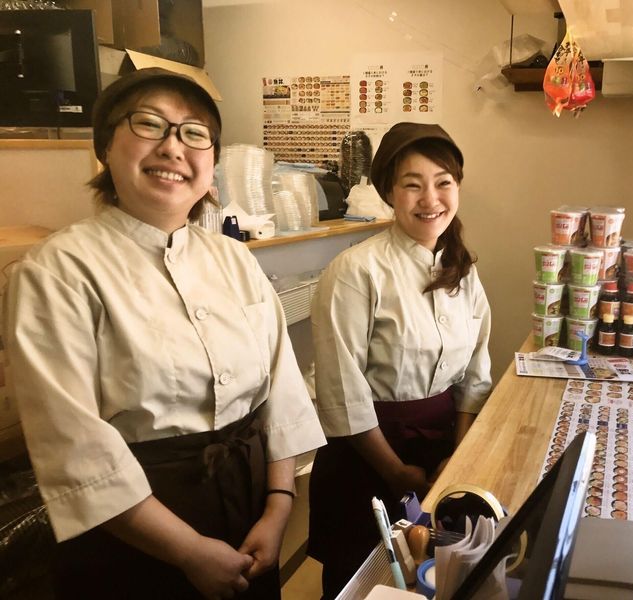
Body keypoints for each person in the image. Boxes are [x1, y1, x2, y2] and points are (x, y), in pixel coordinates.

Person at [2, 67, 326, 599]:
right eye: (150, 124)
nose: (174, 147)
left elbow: (281, 388)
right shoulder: (57, 270)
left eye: (194, 133)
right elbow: (73, 445)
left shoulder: (233, 259)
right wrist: (188, 552)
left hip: (249, 507)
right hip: (133, 532)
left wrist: (278, 505)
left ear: (212, 164)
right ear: (105, 147)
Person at [307, 122, 492, 597]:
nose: (430, 198)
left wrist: (459, 454)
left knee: (429, 579)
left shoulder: (462, 271)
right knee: (364, 583)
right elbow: (341, 391)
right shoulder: (355, 271)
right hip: (366, 458)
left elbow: (475, 372)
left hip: (442, 449)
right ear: (389, 191)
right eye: (412, 184)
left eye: (443, 182)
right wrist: (395, 472)